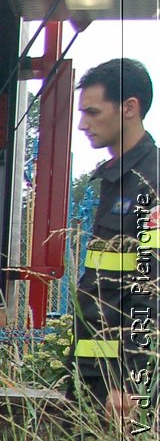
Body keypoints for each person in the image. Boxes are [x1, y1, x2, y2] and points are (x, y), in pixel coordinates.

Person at [72, 57, 158, 420]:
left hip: (120, 388)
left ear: (129, 108)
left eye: (92, 112)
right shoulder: (115, 181)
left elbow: (150, 286)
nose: (82, 124)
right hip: (96, 374)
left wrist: (132, 380)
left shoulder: (150, 182)